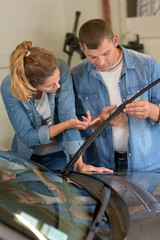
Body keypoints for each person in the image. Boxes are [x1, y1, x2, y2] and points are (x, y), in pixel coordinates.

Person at [1, 41, 111, 173]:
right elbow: (27, 136)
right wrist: (66, 124)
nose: (58, 86)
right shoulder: (9, 87)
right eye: (50, 86)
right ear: (32, 84)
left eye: (58, 80)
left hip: (59, 153)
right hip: (27, 157)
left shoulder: (61, 67)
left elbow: (67, 114)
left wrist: (79, 164)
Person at [71, 19, 160, 172]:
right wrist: (99, 122)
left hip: (147, 167)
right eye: (92, 56)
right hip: (100, 167)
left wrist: (151, 110)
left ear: (115, 40)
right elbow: (73, 130)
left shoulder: (147, 66)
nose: (101, 62)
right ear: (81, 47)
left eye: (106, 53)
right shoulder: (76, 76)